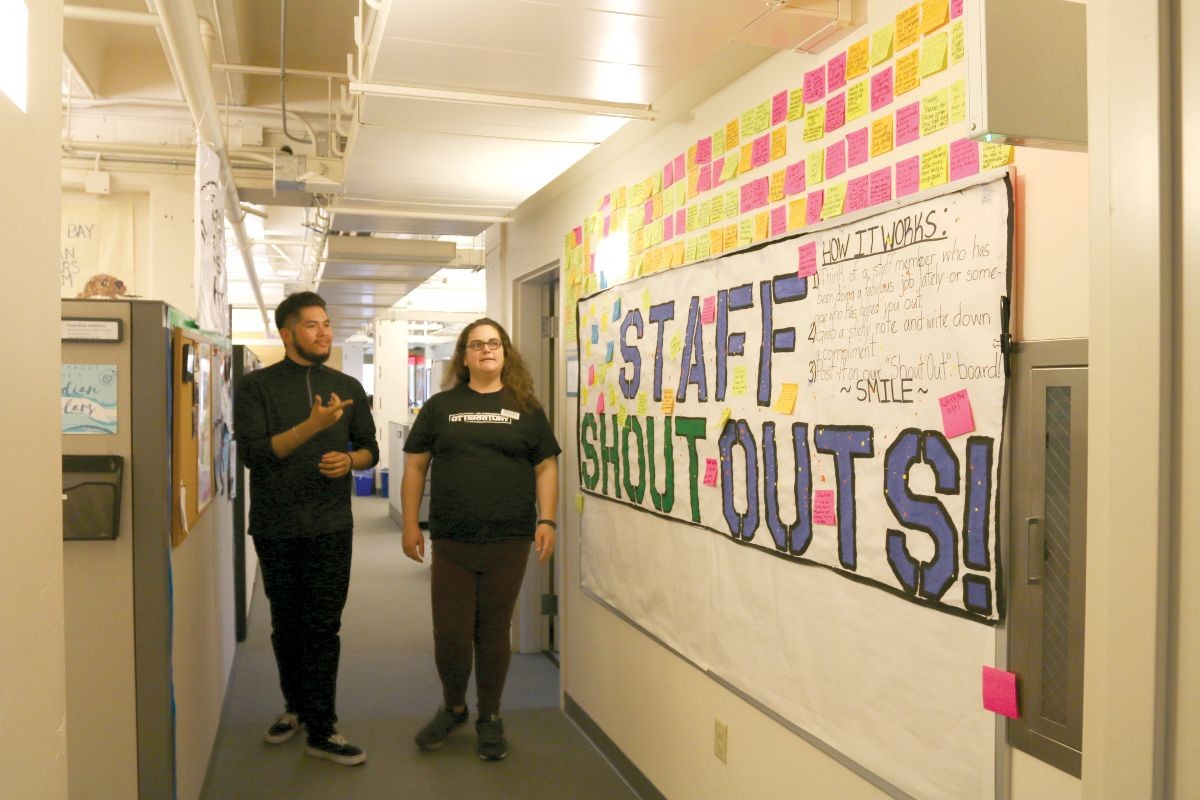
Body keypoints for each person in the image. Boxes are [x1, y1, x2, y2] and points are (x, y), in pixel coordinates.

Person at [402, 318, 560, 761]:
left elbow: (546, 465)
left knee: (493, 632)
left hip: (508, 538)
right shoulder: (439, 407)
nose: (486, 350)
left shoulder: (527, 408)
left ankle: (489, 715)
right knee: (450, 633)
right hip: (452, 537)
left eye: (494, 343)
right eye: (477, 345)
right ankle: (454, 706)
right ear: (464, 356)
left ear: (505, 353)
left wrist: (547, 520)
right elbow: (416, 466)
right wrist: (411, 524)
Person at [234, 291, 378, 766]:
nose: (324, 332)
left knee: (322, 626)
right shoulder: (256, 388)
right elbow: (254, 454)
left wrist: (350, 460)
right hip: (276, 526)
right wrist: (313, 426)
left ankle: (323, 726)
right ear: (287, 333)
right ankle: (295, 706)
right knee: (285, 624)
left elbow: (370, 450)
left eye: (327, 323)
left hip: (331, 525)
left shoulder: (348, 385)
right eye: (312, 325)